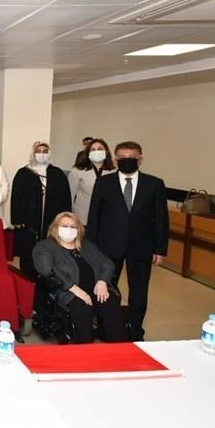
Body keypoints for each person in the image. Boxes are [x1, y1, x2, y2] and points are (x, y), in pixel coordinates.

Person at [87, 141, 168, 341]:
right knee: (106, 286)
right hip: (109, 245)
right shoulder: (104, 183)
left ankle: (135, 329)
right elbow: (94, 216)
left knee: (139, 290)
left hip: (141, 247)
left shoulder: (154, 184)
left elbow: (161, 218)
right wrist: (91, 248)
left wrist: (160, 248)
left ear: (140, 160)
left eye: (131, 158)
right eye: (122, 158)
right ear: (115, 160)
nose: (126, 161)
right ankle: (106, 325)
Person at [32, 212, 128, 344]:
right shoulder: (45, 247)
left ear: (79, 230)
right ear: (55, 228)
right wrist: (75, 289)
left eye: (73, 227)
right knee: (83, 310)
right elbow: (47, 269)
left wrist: (102, 281)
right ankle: (85, 351)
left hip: (95, 289)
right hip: (69, 293)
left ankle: (122, 349)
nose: (69, 230)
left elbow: (107, 263)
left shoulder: (86, 245)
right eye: (64, 226)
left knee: (111, 305)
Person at [11, 141, 72, 277]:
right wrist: (17, 218)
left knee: (50, 252)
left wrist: (66, 218)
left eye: (45, 151)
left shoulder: (57, 173)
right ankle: (28, 280)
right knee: (28, 252)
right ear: (33, 153)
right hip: (28, 222)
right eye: (38, 151)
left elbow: (66, 197)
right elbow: (16, 197)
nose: (42, 154)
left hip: (52, 220)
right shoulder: (24, 172)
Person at [68, 138, 116, 225]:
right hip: (82, 217)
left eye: (100, 149)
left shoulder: (114, 171)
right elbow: (70, 195)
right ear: (88, 153)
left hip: (106, 216)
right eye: (93, 149)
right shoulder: (78, 170)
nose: (96, 151)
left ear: (106, 152)